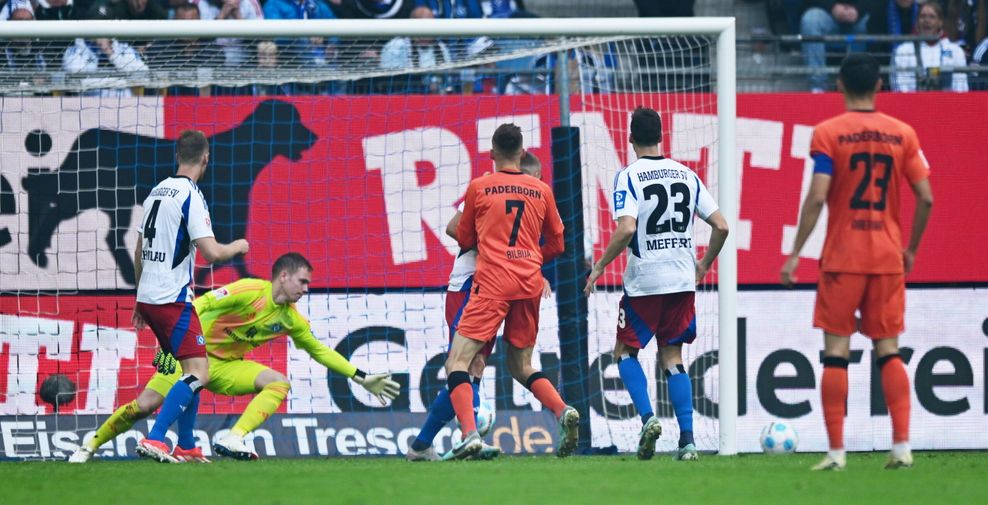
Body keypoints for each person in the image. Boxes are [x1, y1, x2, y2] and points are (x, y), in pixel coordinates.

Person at [69, 253, 399, 463]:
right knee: (144, 405)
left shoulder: (291, 318)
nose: (306, 288)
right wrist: (172, 342)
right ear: (283, 276)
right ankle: (91, 444)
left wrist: (360, 376)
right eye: (303, 281)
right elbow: (199, 305)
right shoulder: (248, 290)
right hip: (191, 354)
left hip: (225, 367)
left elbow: (320, 350)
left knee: (278, 383)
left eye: (308, 283)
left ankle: (233, 436)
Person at [781, 53, 933, 471]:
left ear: (839, 86)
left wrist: (794, 254)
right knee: (889, 349)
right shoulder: (903, 134)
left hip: (842, 258)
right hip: (887, 257)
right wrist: (912, 248)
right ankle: (901, 447)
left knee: (835, 352)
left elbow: (816, 196)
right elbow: (927, 196)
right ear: (881, 86)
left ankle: (836, 453)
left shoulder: (828, 133)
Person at [584, 106, 729, 462]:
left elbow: (628, 228)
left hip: (646, 279)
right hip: (682, 278)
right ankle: (689, 442)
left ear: (630, 138)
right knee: (673, 358)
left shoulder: (629, 175)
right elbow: (722, 225)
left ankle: (648, 419)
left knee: (624, 353)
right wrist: (704, 264)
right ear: (662, 137)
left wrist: (601, 265)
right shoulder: (687, 175)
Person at [441, 124, 573, 460]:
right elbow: (558, 242)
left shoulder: (480, 187)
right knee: (522, 365)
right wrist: (529, 258)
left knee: (457, 360)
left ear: (492, 152)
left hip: (493, 282)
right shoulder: (541, 190)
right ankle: (562, 411)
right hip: (528, 283)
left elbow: (465, 236)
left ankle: (469, 434)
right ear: (523, 152)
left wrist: (497, 248)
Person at [406, 152, 547, 462]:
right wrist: (496, 248)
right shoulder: (487, 187)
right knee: (465, 365)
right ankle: (467, 433)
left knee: (475, 367)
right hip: (469, 285)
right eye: (533, 181)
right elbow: (454, 228)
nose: (535, 188)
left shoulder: (531, 202)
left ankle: (423, 444)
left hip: (495, 286)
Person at [128, 129, 250, 463]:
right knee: (200, 373)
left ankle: (187, 444)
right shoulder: (190, 195)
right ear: (206, 158)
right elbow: (211, 254)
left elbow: (138, 250)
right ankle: (155, 438)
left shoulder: (156, 191)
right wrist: (238, 246)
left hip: (151, 300)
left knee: (190, 368)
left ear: (177, 156)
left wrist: (140, 298)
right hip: (173, 301)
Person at [891, 1, 969, 92]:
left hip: (948, 103)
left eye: (932, 17)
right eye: (923, 16)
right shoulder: (903, 51)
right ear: (917, 22)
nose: (927, 20)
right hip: (912, 103)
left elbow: (961, 87)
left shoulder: (956, 51)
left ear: (940, 22)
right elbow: (899, 87)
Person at [800, 1, 875, 92]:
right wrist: (832, 7)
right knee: (811, 19)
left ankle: (862, 85)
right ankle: (817, 88)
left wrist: (858, 10)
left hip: (862, 16)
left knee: (877, 16)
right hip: (828, 15)